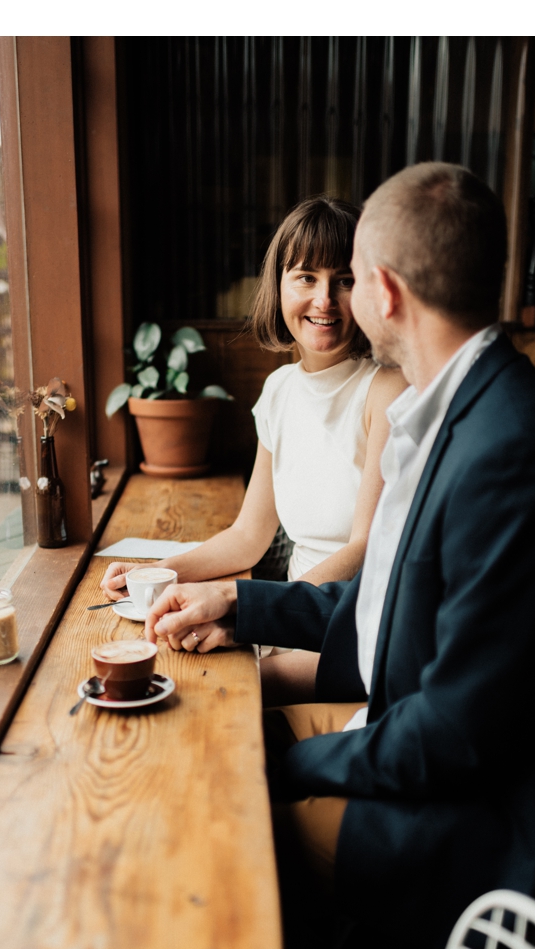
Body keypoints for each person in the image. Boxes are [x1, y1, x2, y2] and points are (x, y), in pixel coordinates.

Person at [142, 162, 535, 949]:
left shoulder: (509, 445)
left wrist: (277, 765)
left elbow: (454, 733)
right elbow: (382, 613)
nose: (337, 297)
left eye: (351, 276)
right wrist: (238, 605)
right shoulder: (454, 410)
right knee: (203, 739)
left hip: (476, 817)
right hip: (416, 733)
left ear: (385, 293)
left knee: (216, 831)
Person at [100, 197, 408, 704]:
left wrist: (248, 612)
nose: (325, 299)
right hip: (283, 621)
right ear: (279, 286)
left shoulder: (385, 390)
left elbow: (365, 549)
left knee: (204, 697)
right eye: (306, 277)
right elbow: (248, 535)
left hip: (353, 632)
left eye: (345, 279)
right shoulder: (281, 389)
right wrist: (158, 573)